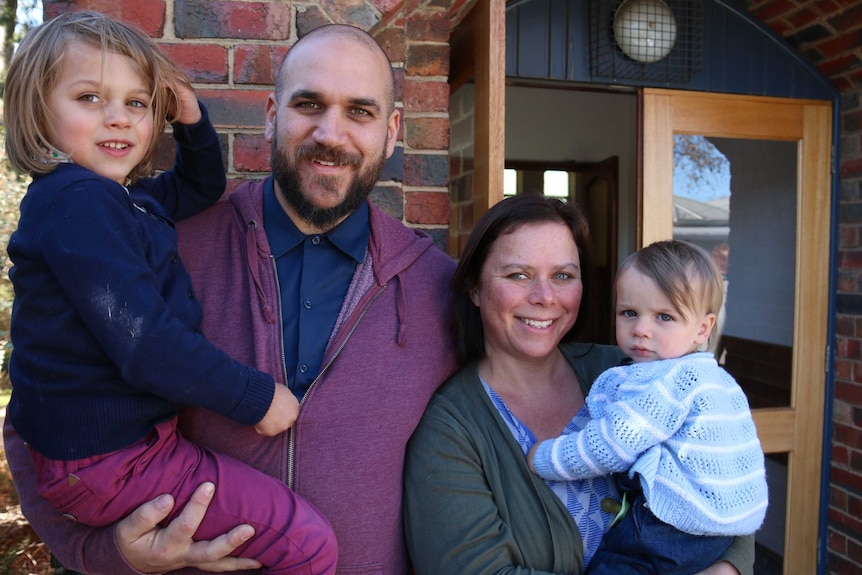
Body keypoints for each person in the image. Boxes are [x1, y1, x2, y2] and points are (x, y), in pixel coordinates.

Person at [3, 21, 457, 575]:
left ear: (392, 131)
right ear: (271, 116)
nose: (330, 133)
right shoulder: (164, 245)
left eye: (359, 112)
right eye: (309, 104)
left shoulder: (441, 291)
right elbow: (38, 419)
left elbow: (477, 459)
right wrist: (107, 554)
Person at [403, 193, 755, 575]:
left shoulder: (630, 369)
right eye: (518, 275)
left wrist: (727, 569)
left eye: (563, 276)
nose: (544, 296)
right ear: (474, 287)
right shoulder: (451, 428)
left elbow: (721, 470)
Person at [528, 239, 768, 574]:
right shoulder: (718, 381)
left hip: (666, 530)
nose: (641, 329)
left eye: (664, 317)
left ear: (703, 328)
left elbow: (610, 444)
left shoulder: (666, 382)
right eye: (629, 313)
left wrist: (544, 458)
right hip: (715, 533)